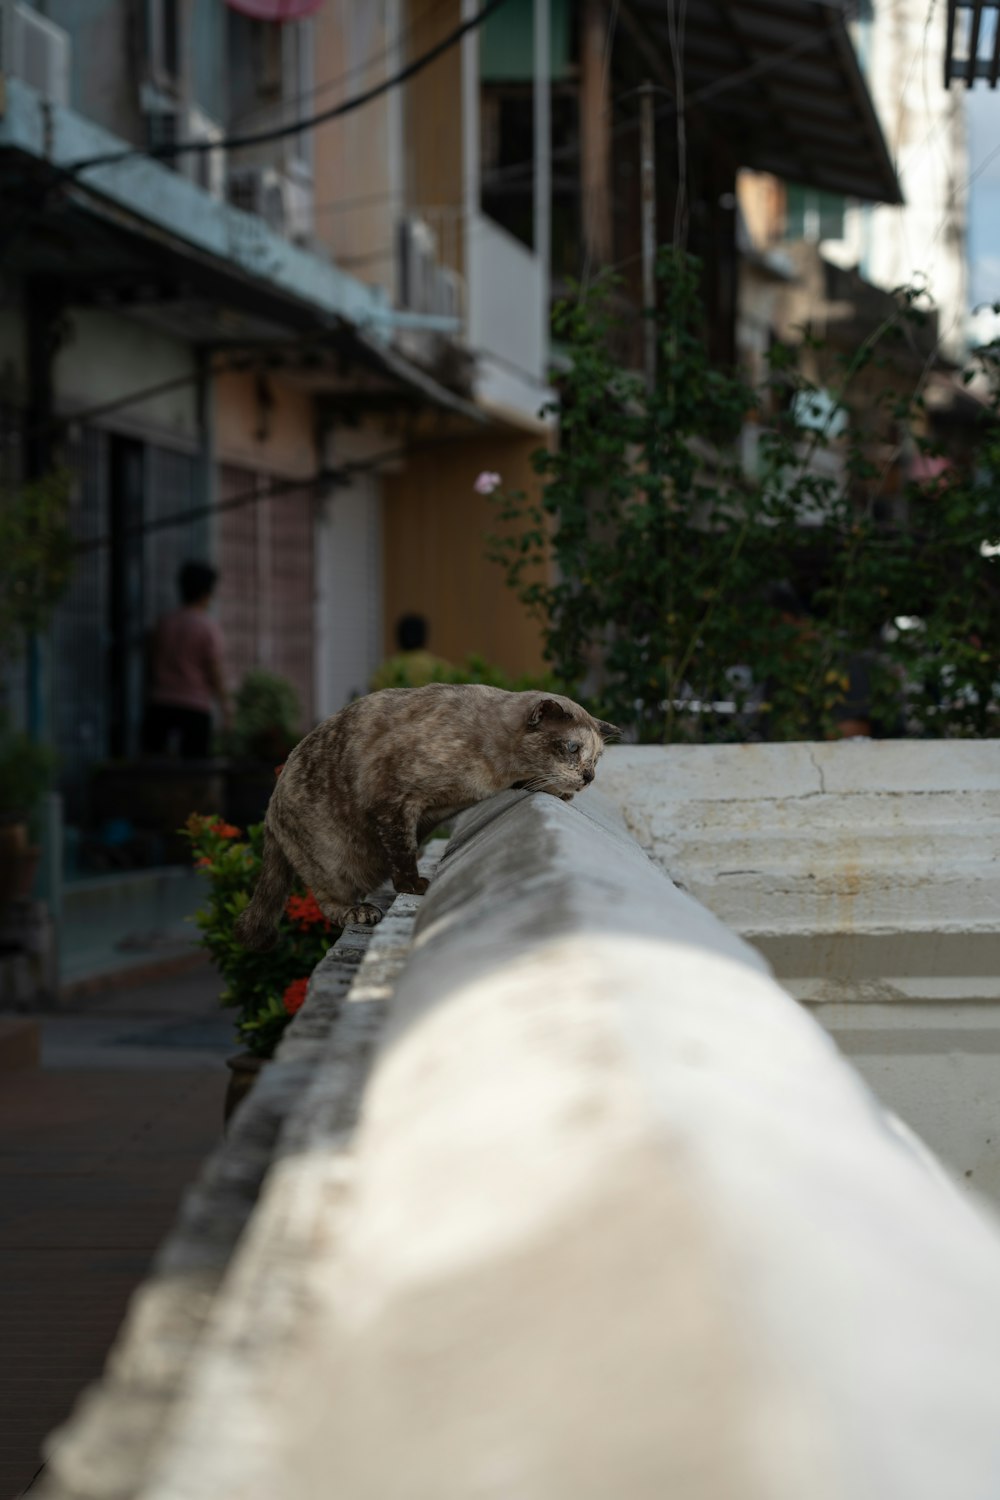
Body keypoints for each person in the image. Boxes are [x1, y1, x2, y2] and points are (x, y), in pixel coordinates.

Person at [143, 560, 230, 758]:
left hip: (159, 703)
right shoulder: (207, 627)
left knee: (154, 768)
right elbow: (213, 670)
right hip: (194, 707)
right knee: (194, 770)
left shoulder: (163, 623)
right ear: (207, 593)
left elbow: (151, 660)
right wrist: (225, 705)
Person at [369, 613, 453, 691]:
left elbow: (374, 694)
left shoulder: (386, 670)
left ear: (399, 636)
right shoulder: (440, 668)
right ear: (424, 636)